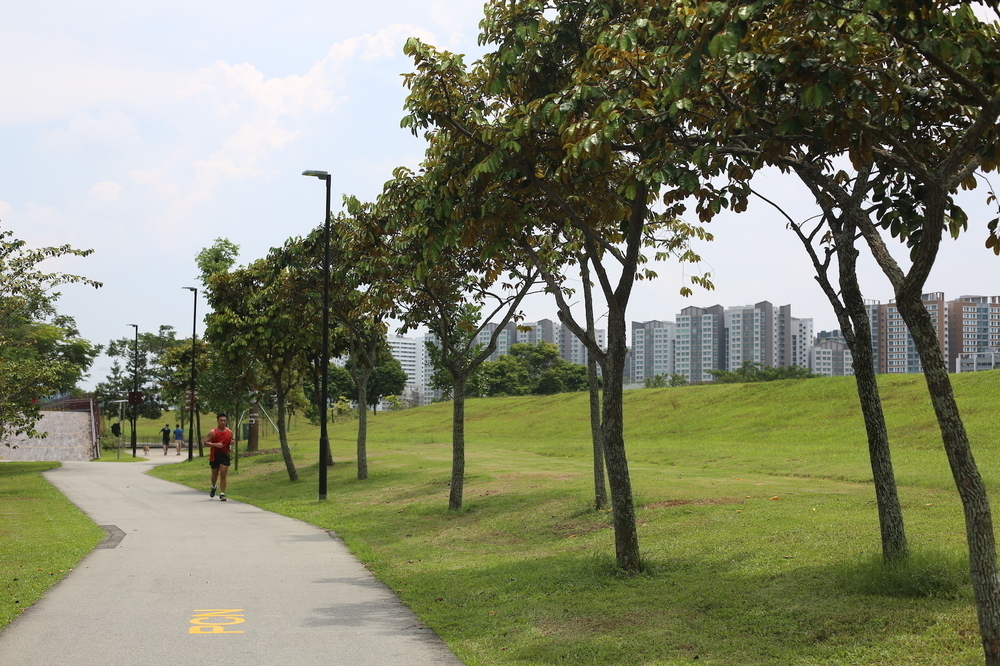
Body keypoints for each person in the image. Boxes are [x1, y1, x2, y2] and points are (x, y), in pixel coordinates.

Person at [204, 413, 233, 501]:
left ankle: (222, 493)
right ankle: (214, 486)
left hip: (225, 455)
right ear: (217, 421)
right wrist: (215, 444)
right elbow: (205, 443)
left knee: (223, 473)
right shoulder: (213, 432)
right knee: (214, 475)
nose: (223, 422)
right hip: (215, 456)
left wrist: (232, 442)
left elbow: (231, 441)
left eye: (224, 420)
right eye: (221, 420)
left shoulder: (229, 432)